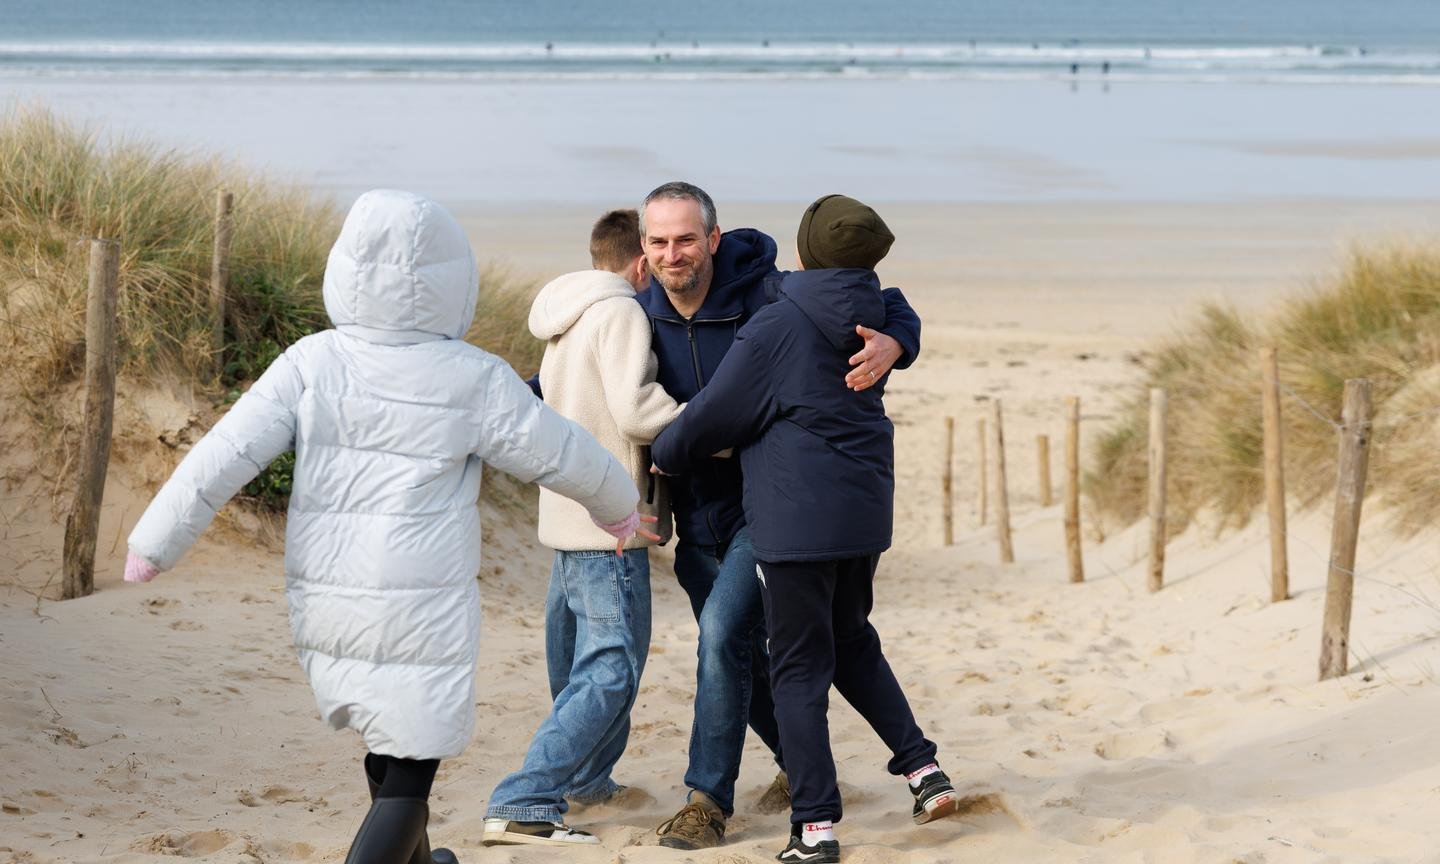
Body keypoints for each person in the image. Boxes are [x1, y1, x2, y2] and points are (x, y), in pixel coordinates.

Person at [120, 190, 645, 864]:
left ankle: (423, 861)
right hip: (420, 606)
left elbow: (221, 456)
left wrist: (153, 543)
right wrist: (619, 505)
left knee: (389, 741)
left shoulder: (311, 362)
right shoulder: (472, 377)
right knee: (409, 773)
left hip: (329, 598)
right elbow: (561, 451)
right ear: (454, 283)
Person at [652, 194, 957, 864]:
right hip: (863, 515)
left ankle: (814, 827)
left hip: (794, 524)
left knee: (795, 671)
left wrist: (662, 454)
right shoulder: (871, 306)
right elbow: (901, 305)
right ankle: (923, 772)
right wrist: (901, 339)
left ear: (806, 247)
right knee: (850, 641)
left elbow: (710, 420)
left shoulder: (778, 324)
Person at [481, 209, 681, 847]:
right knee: (611, 667)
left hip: (566, 515)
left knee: (575, 662)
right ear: (640, 262)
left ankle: (589, 780)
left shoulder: (563, 317)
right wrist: (710, 416)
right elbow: (635, 408)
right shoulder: (622, 311)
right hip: (610, 521)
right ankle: (525, 800)